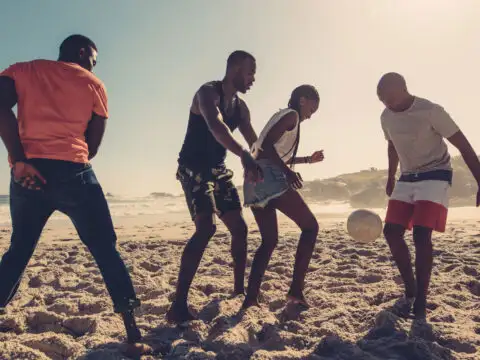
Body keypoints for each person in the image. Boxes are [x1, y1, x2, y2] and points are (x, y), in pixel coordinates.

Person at [0, 35, 143, 344]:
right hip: (74, 175)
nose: (94, 65)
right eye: (94, 58)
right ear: (81, 52)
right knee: (105, 248)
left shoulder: (22, 70)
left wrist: (19, 160)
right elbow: (92, 147)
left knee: (19, 251)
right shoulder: (94, 84)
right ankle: (132, 330)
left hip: (28, 175)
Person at [167, 51, 262, 323]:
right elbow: (216, 127)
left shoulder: (241, 108)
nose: (253, 79)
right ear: (233, 68)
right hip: (193, 168)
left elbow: (254, 143)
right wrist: (243, 155)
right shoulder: (207, 93)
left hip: (218, 171)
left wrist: (269, 163)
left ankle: (238, 290)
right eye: (249, 72)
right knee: (206, 228)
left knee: (240, 229)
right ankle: (178, 305)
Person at [378, 72, 480, 319]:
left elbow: (463, 145)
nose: (387, 104)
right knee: (391, 232)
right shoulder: (386, 117)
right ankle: (410, 288)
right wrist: (391, 177)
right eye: (382, 99)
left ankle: (421, 299)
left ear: (403, 89)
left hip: (436, 174)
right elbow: (392, 146)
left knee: (422, 235)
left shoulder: (431, 111)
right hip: (407, 177)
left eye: (390, 97)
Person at [242, 85, 324, 309]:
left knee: (269, 241)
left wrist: (308, 160)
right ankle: (296, 290)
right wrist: (287, 173)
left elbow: (270, 151)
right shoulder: (292, 115)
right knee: (310, 227)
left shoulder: (281, 117)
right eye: (312, 108)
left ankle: (251, 298)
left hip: (253, 181)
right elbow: (268, 147)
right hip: (269, 176)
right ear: (303, 100)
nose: (311, 114)